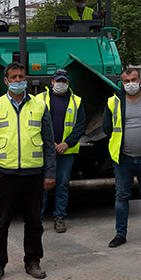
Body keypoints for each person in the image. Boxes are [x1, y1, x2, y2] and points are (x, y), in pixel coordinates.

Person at [0, 62, 56, 280]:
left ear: (26, 79)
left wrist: (50, 173)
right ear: (6, 80)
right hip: (4, 175)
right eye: (14, 77)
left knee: (34, 222)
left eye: (22, 76)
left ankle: (33, 261)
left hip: (33, 175)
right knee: (0, 222)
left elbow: (49, 144)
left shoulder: (40, 106)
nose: (19, 80)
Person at [103, 67, 141, 248]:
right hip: (123, 159)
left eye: (134, 80)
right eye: (127, 81)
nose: (131, 84)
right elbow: (107, 128)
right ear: (122, 83)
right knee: (121, 196)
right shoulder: (113, 102)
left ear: (140, 80)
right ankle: (120, 234)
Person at [40, 69, 86, 233]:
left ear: (68, 82)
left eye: (64, 81)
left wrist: (66, 143)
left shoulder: (77, 101)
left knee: (62, 185)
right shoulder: (40, 99)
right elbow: (34, 123)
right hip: (46, 150)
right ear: (52, 81)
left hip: (66, 151)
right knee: (43, 185)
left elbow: (80, 125)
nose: (61, 84)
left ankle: (59, 218)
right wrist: (50, 143)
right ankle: (37, 219)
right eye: (58, 80)